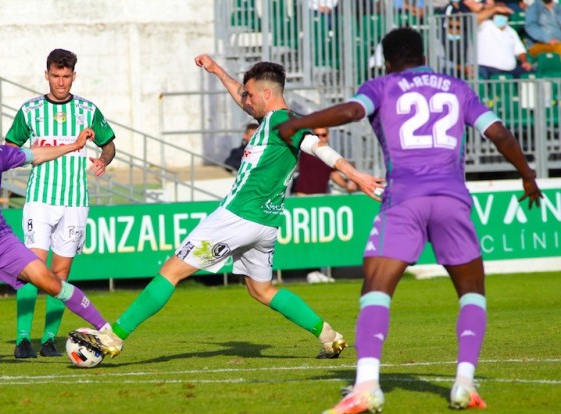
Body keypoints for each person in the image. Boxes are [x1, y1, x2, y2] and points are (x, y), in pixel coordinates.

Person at [276, 27, 543, 414]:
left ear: (387, 60)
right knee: (471, 292)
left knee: (377, 287)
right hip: (452, 199)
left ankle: (367, 386)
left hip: (404, 200)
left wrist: (299, 123)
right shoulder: (456, 87)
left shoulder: (381, 85)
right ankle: (465, 383)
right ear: (423, 54)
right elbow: (498, 132)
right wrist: (527, 175)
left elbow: (351, 112)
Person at [70, 56, 384, 362]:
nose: (245, 100)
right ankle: (329, 335)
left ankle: (114, 337)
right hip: (266, 222)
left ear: (265, 94)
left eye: (250, 94)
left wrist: (356, 175)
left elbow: (318, 147)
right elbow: (241, 96)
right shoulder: (273, 121)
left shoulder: (284, 122)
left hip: (237, 216)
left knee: (172, 271)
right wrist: (218, 71)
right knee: (261, 290)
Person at [0, 110, 113, 380]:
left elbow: (36, 154)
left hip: (0, 238)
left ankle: (107, 331)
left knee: (49, 281)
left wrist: (74, 146)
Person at [5, 48, 116, 359]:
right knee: (31, 269)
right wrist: (23, 159)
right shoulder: (29, 111)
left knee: (60, 274)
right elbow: (10, 147)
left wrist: (103, 161)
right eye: (56, 75)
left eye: (66, 76)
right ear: (47, 74)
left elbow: (109, 145)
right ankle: (23, 338)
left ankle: (49, 339)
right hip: (40, 199)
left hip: (75, 202)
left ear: (74, 76)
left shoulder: (87, 110)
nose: (61, 82)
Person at [292, 128, 358, 195]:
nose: (320, 137)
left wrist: (348, 185)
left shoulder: (328, 155)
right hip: (303, 194)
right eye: (317, 135)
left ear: (328, 136)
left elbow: (334, 174)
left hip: (321, 195)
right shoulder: (306, 150)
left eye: (323, 135)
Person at [477, 3, 533, 79]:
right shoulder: (486, 25)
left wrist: (524, 61)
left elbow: (520, 50)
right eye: (499, 14)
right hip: (488, 68)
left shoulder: (511, 31)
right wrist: (495, 8)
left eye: (504, 15)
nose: (501, 17)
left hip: (510, 70)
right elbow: (476, 18)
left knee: (530, 74)